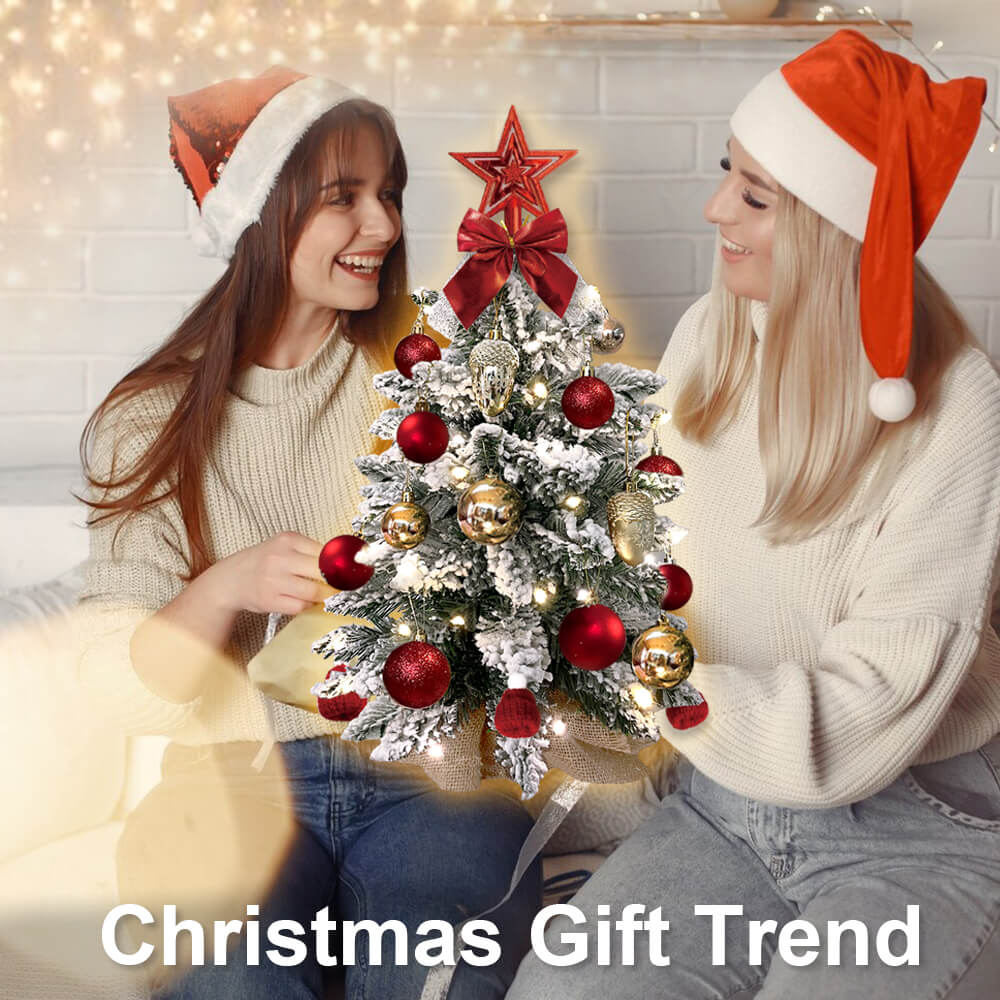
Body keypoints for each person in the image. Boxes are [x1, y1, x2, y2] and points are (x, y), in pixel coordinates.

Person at [508, 29, 1000, 1000]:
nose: (714, 207)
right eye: (727, 171)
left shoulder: (954, 405)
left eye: (755, 195)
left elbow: (856, 721)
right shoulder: (711, 338)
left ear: (831, 224)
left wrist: (645, 675)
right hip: (718, 808)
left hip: (906, 828)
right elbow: (645, 557)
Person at [75, 67, 540, 999]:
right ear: (263, 214)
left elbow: (526, 597)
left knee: (434, 978)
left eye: (389, 195)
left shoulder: (432, 380)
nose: (386, 227)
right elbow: (122, 688)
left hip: (430, 777)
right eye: (345, 198)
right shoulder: (150, 422)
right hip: (231, 783)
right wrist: (224, 588)